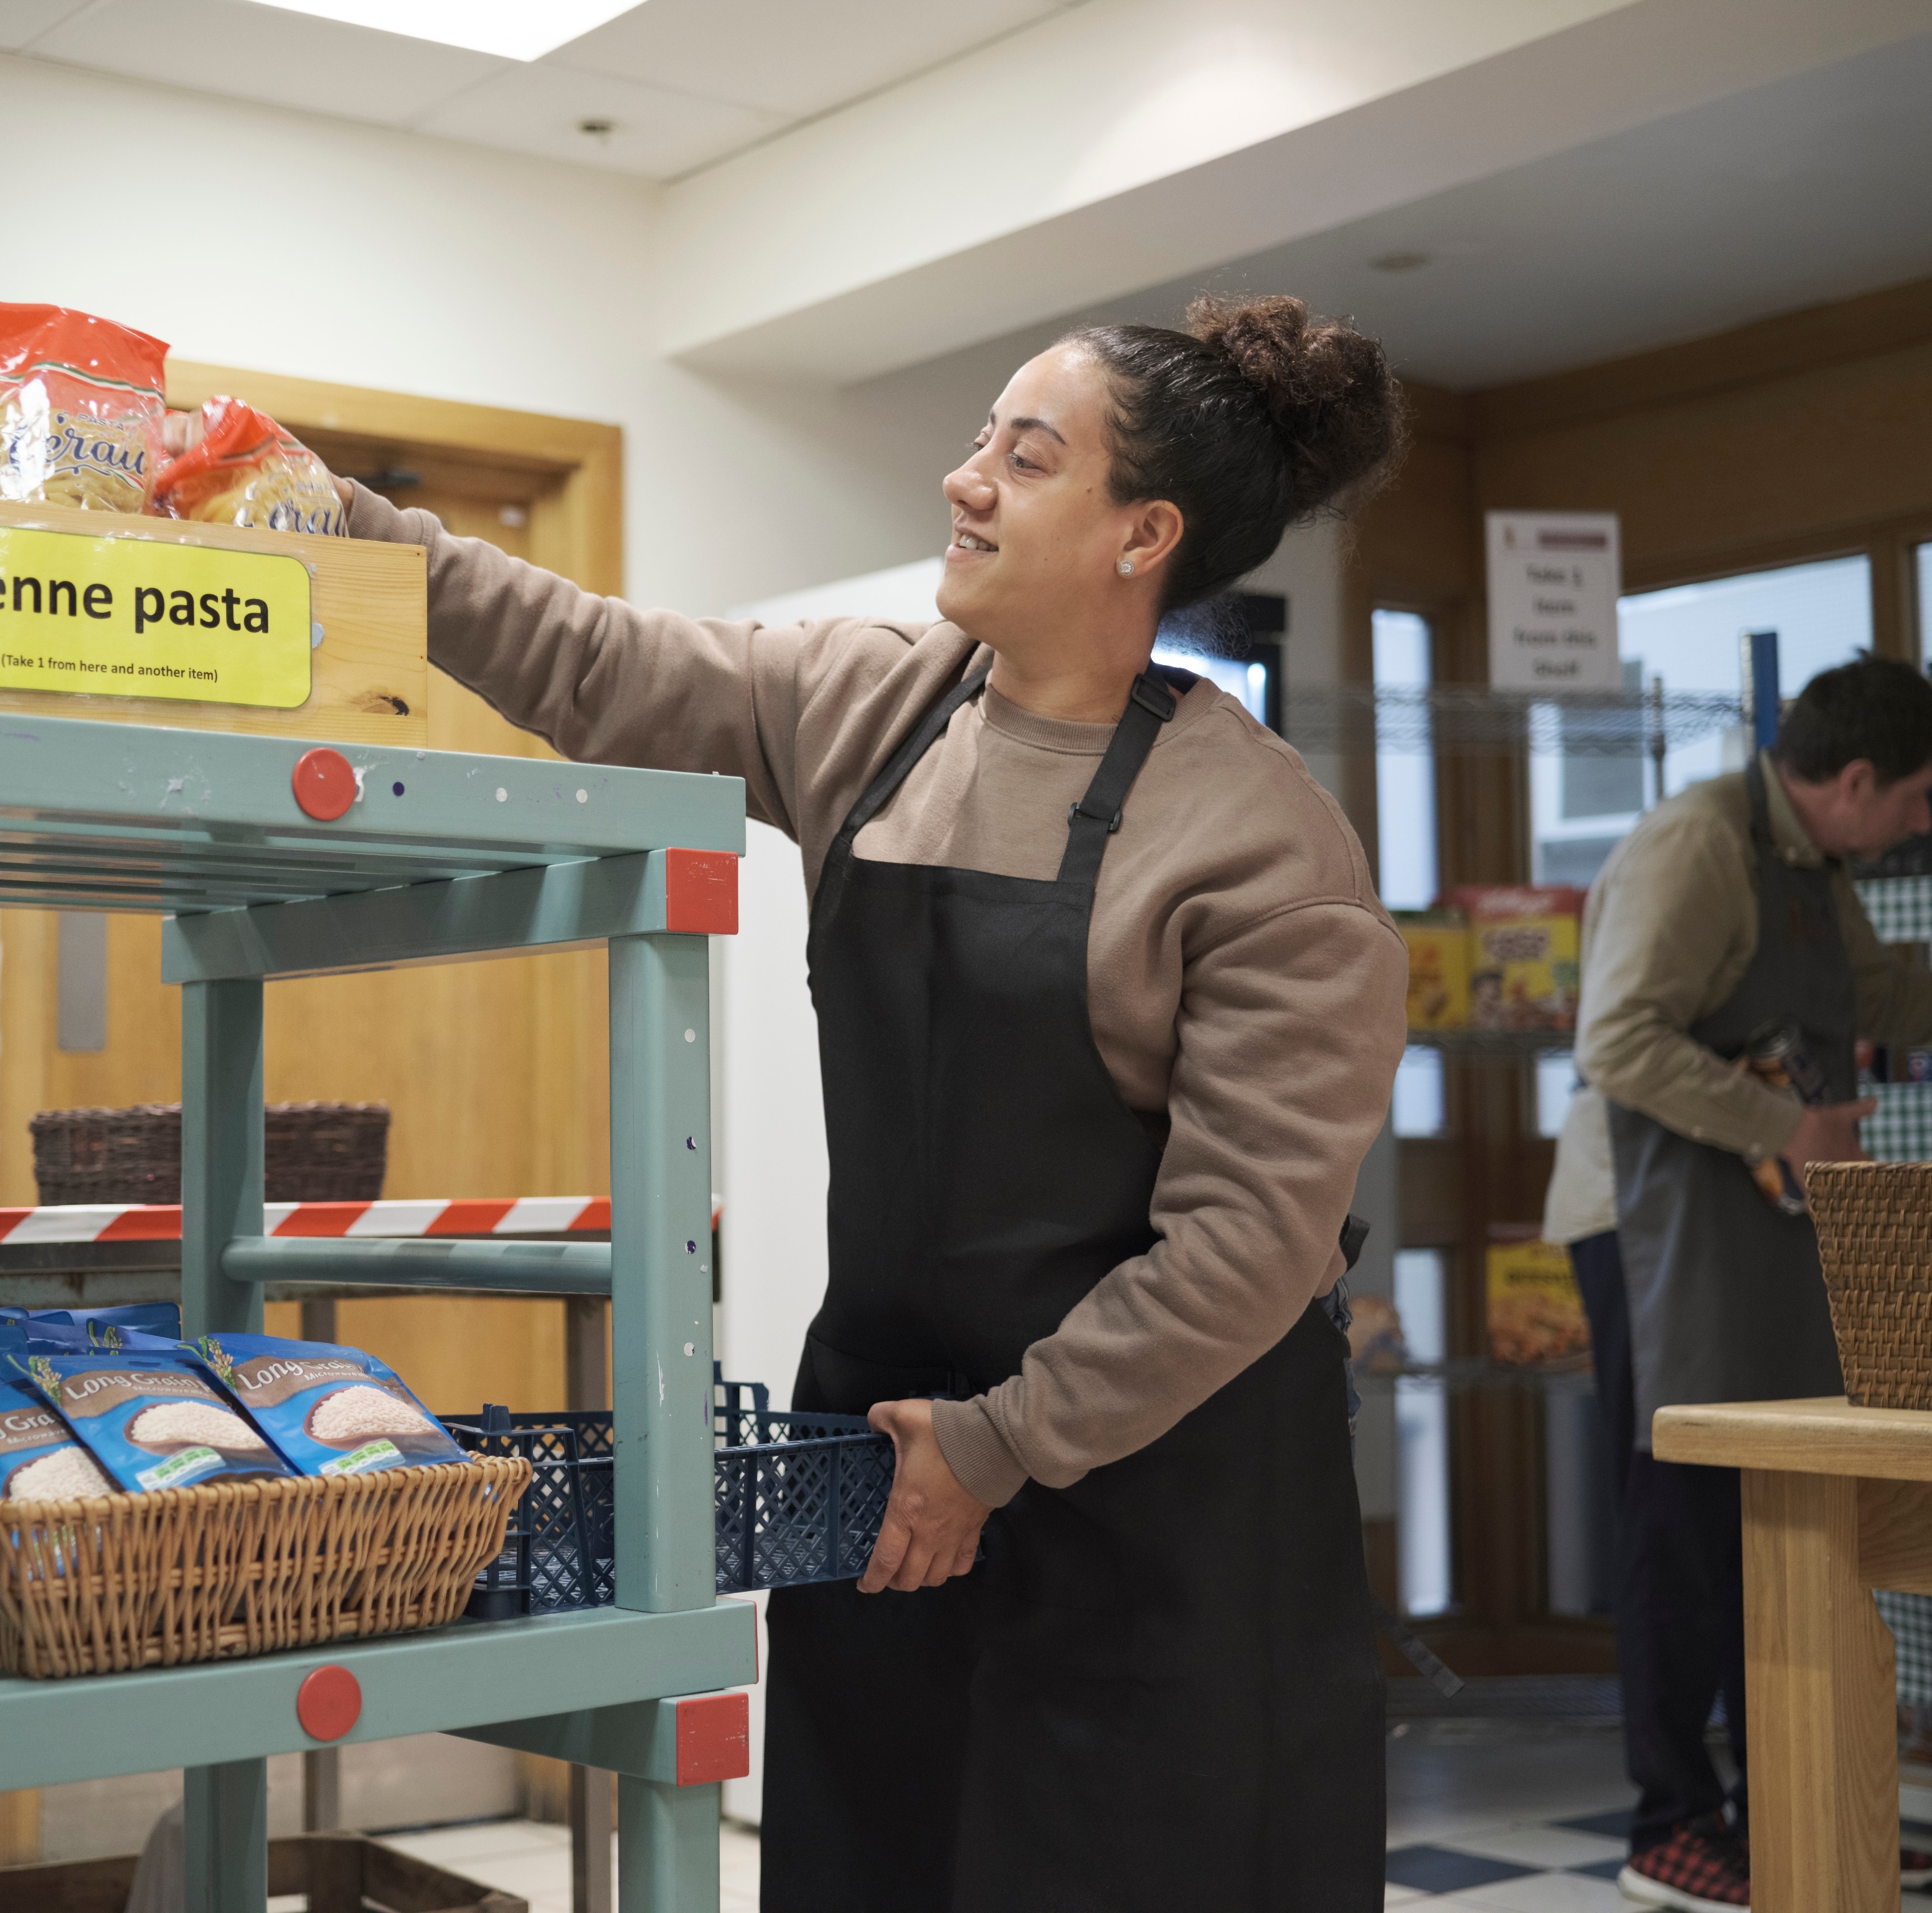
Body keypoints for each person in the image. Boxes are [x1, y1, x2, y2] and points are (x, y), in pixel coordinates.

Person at [334, 295, 1408, 1909]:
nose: (967, 481)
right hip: (888, 1473)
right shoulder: (876, 711)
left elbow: (1250, 1250)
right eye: (980, 441)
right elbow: (590, 657)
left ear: (1143, 534)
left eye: (1024, 457)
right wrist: (334, 523)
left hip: (1160, 1512)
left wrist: (996, 1447)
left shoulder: (1259, 851)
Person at [1545, 655, 1932, 1911]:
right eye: (1912, 797)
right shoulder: (1692, 848)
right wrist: (1780, 1127)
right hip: (1643, 1224)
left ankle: (1787, 1800)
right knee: (1676, 1530)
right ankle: (1665, 1823)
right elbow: (1615, 1038)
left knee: (1774, 1524)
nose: (1917, 821)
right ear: (1850, 781)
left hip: (1744, 1220)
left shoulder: (1805, 865)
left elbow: (1883, 995)